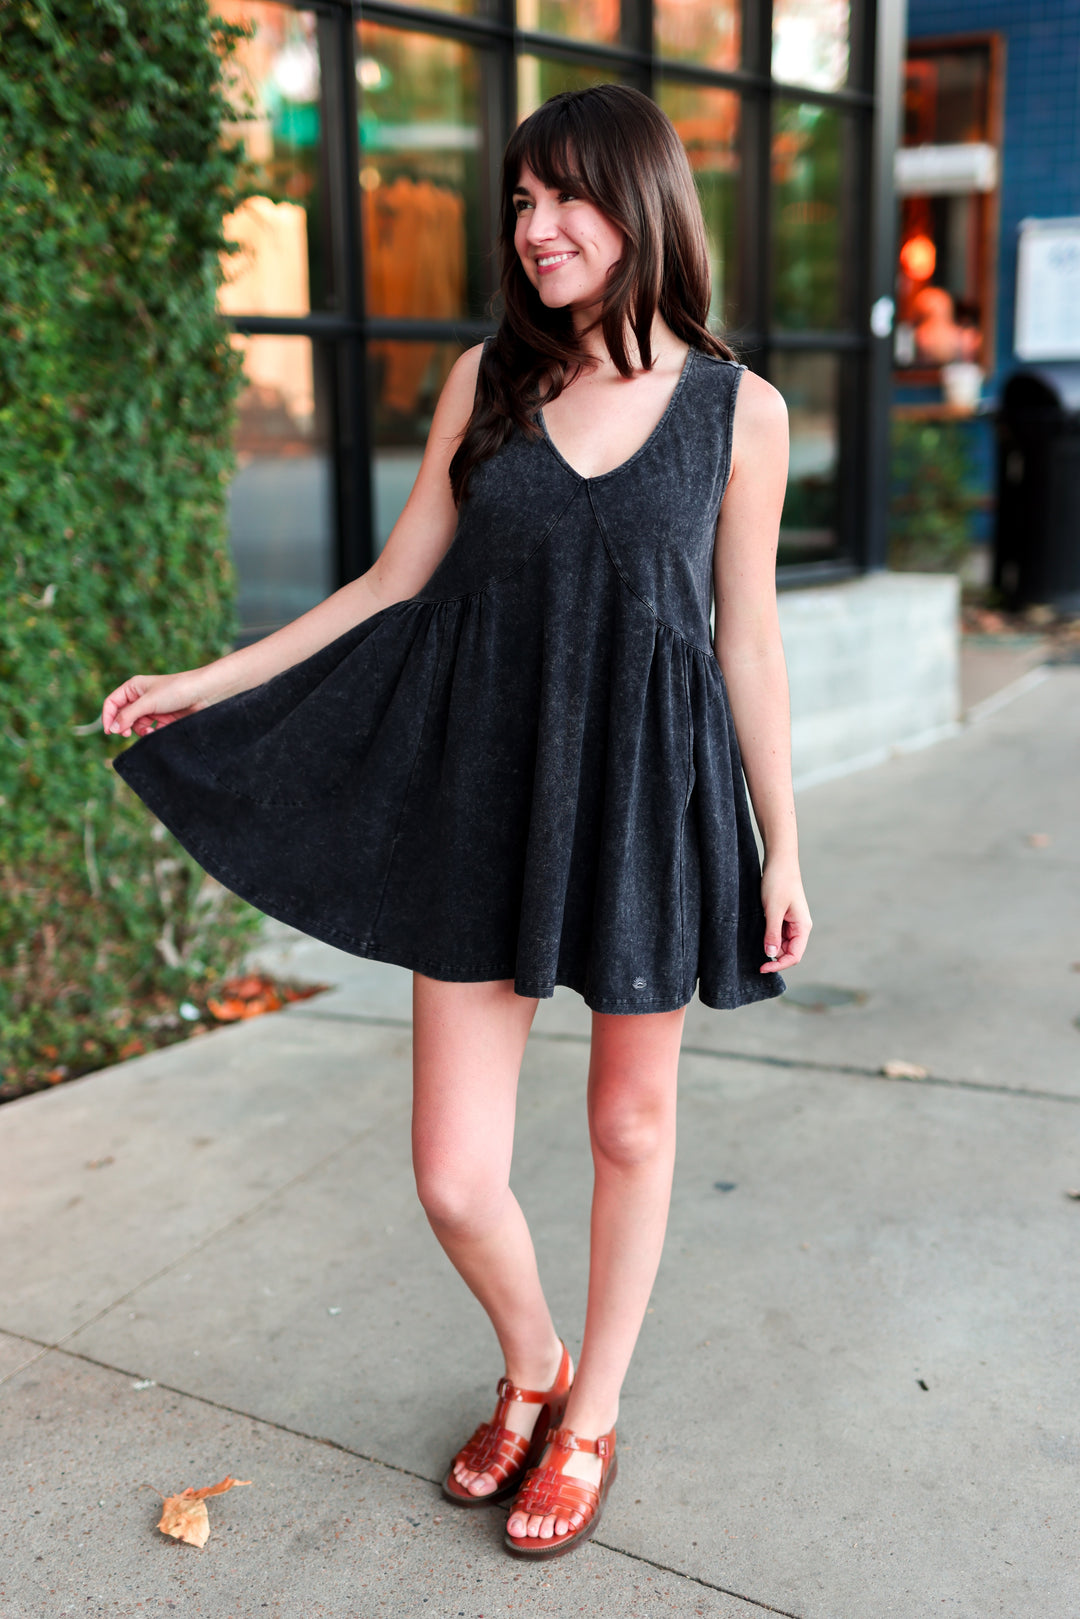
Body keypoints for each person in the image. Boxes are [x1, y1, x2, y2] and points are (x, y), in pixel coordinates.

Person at [102, 85, 811, 1560]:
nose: (535, 229)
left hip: (645, 794)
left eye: (566, 199)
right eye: (519, 203)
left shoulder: (741, 411)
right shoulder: (490, 378)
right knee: (451, 1172)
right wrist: (204, 679)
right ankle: (535, 1361)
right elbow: (387, 584)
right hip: (484, 787)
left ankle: (592, 1416)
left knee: (630, 1124)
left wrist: (782, 844)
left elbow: (748, 640)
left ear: (643, 206)